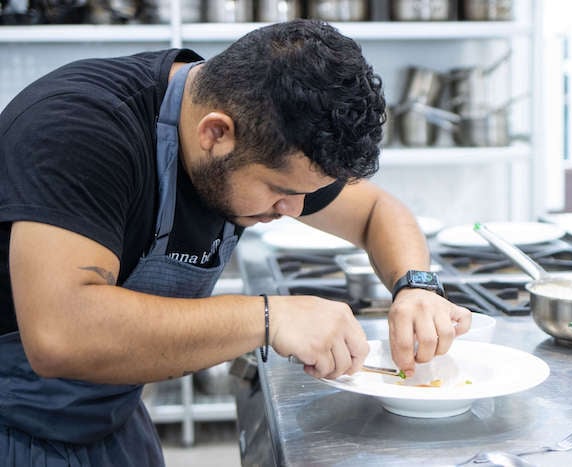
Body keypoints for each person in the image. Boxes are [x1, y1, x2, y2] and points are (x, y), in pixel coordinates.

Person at [0, 19, 471, 465]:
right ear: (216, 133)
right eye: (280, 191)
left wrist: (416, 286)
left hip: (110, 418)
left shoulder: (271, 136)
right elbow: (60, 335)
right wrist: (270, 316)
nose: (293, 210)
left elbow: (375, 211)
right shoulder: (80, 131)